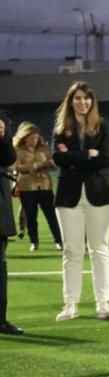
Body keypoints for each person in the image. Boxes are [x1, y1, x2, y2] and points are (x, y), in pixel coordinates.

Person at [52, 81, 109, 321]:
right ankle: (71, 304)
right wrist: (88, 155)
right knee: (71, 251)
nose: (82, 102)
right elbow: (58, 158)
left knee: (99, 249)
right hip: (69, 197)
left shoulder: (103, 127)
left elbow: (105, 160)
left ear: (92, 101)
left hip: (99, 195)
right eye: (77, 98)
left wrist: (72, 157)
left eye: (86, 98)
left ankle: (103, 303)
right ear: (71, 102)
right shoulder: (60, 129)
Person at [12, 122, 62, 252]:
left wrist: (51, 163)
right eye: (30, 137)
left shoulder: (44, 148)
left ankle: (59, 240)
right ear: (24, 137)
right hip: (27, 187)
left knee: (52, 215)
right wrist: (34, 166)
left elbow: (52, 161)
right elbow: (16, 167)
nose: (34, 140)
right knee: (31, 217)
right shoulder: (18, 150)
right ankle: (34, 242)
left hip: (45, 185)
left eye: (36, 137)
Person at [0, 113, 23, 335]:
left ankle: (0, 319)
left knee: (0, 264)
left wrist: (2, 135)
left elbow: (8, 158)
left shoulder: (2, 119)